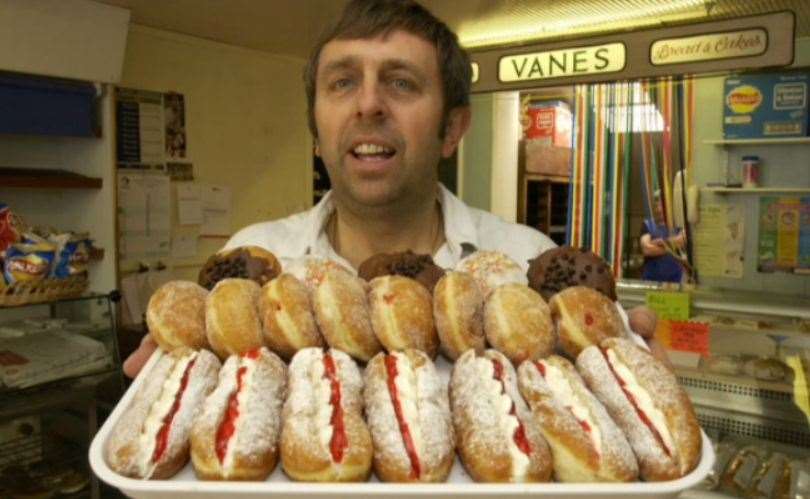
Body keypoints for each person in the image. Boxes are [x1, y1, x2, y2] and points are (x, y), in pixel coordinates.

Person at [124, 0, 662, 377]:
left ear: (451, 129)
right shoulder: (250, 271)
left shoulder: (526, 265)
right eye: (342, 82)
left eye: (401, 82)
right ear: (317, 132)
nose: (368, 105)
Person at [640, 193, 687, 283]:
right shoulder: (648, 224)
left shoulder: (679, 224)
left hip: (675, 282)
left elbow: (683, 240)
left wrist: (659, 243)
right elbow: (647, 249)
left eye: (662, 204)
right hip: (650, 281)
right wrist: (673, 246)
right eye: (657, 204)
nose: (659, 208)